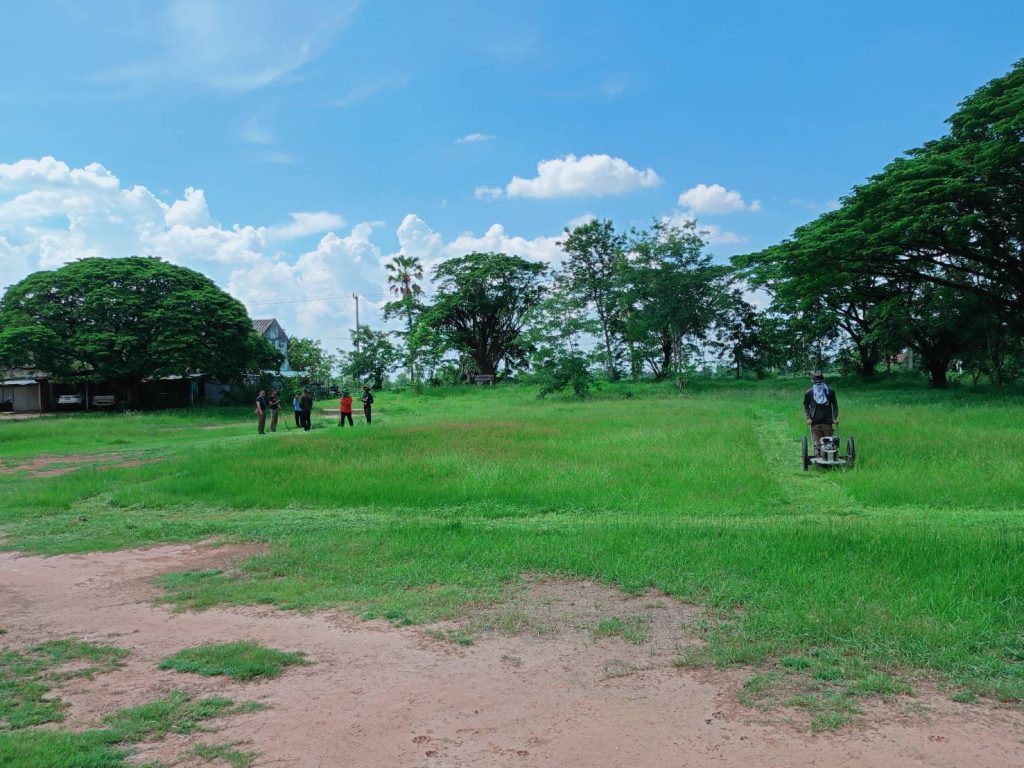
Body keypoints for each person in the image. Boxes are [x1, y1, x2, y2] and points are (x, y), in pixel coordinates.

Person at [803, 371, 839, 455]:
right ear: (813, 382)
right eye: (817, 382)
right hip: (815, 421)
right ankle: (818, 454)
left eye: (820, 382)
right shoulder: (809, 393)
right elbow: (805, 405)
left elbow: (835, 405)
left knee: (828, 442)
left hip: (827, 420)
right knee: (817, 444)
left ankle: (830, 456)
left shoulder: (830, 391)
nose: (819, 383)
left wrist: (834, 417)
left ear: (823, 381)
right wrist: (808, 417)